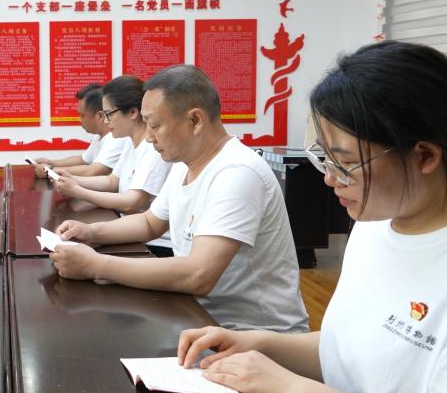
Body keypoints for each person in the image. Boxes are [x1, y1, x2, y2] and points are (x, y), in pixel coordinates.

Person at [177, 41, 447, 393]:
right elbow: (350, 353)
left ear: (425, 156)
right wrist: (257, 344)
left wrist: (289, 388)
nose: (330, 179)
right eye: (326, 159)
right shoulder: (377, 221)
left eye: (346, 163)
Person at [51, 65, 308, 332]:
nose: (148, 137)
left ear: (195, 120)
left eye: (155, 125)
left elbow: (198, 274)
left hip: (250, 334)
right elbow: (150, 223)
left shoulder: (237, 172)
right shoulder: (183, 165)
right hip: (201, 319)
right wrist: (90, 232)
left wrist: (95, 265)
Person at [51, 75, 174, 254]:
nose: (105, 121)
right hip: (128, 229)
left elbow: (132, 203)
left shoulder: (154, 148)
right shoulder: (130, 142)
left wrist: (78, 191)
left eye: (109, 114)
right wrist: (73, 180)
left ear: (132, 113)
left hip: (154, 244)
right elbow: (112, 181)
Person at [32, 83, 129, 178]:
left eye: (82, 115)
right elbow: (82, 160)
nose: (80, 120)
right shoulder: (100, 135)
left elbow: (94, 170)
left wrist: (50, 170)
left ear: (99, 116)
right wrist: (50, 162)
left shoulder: (117, 137)